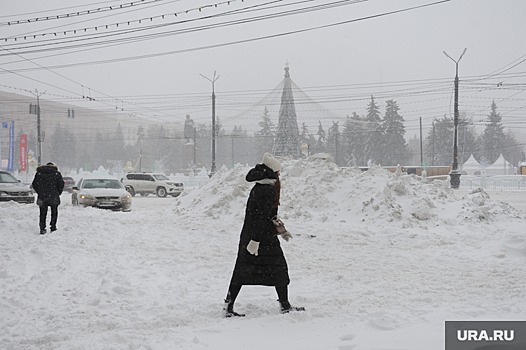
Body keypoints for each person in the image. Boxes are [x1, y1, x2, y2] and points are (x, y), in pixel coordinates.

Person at [224, 153, 304, 317]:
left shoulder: (263, 186)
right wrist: (255, 241)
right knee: (278, 269)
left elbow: (267, 215)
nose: (280, 174)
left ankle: (228, 306)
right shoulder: (267, 189)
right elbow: (260, 218)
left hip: (255, 236)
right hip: (261, 239)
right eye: (278, 171)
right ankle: (284, 305)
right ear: (272, 172)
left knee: (242, 271)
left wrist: (281, 230)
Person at [32, 162, 64, 235]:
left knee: (42, 213)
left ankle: (42, 228)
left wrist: (40, 192)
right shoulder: (56, 174)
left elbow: (35, 184)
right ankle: (53, 227)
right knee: (54, 212)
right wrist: (57, 192)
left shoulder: (40, 173)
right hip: (54, 196)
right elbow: (61, 184)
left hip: (42, 196)